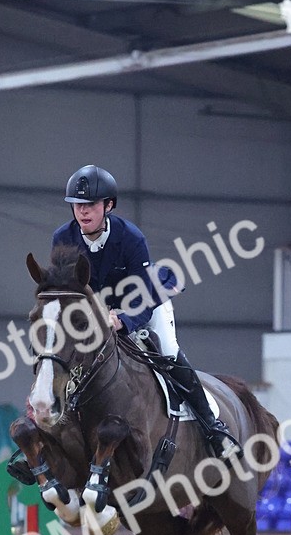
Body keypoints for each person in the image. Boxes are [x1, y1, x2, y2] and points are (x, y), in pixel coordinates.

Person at [53, 164, 241, 462]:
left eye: (91, 204)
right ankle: (49, 429)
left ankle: (213, 428)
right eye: (77, 205)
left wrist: (123, 320)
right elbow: (65, 290)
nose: (83, 211)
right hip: (96, 312)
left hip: (143, 302)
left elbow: (144, 295)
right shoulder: (63, 237)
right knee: (60, 355)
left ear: (108, 206)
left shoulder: (131, 238)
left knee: (168, 351)